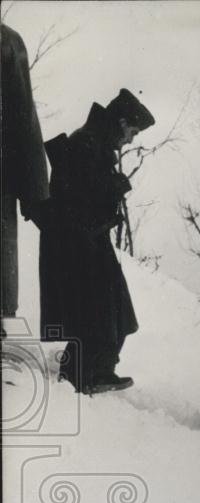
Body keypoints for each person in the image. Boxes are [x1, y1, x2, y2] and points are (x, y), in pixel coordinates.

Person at [38, 88, 154, 393]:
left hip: (87, 239)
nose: (131, 139)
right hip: (78, 242)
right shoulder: (86, 143)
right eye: (132, 131)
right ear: (120, 121)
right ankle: (86, 372)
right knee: (96, 307)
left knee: (109, 307)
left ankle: (94, 369)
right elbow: (76, 200)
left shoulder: (93, 144)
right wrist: (114, 188)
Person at [0, 24, 49, 329]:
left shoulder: (7, 42)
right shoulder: (7, 41)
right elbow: (23, 115)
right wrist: (36, 192)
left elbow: (21, 113)